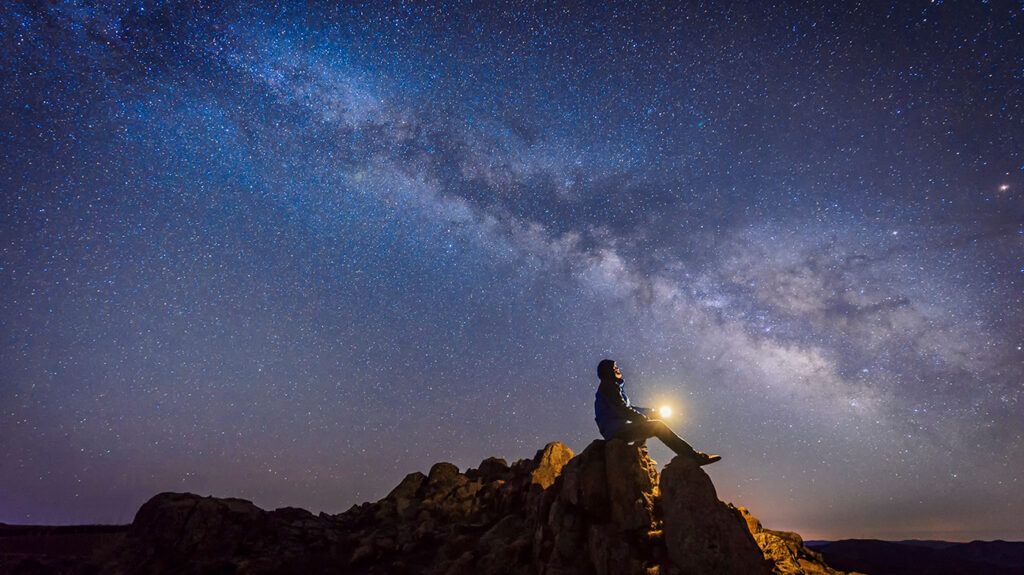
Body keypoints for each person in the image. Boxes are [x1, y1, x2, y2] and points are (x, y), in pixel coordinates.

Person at [594, 359, 721, 466]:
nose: (618, 369)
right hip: (616, 431)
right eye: (614, 367)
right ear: (607, 371)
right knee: (657, 426)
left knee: (646, 420)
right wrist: (643, 418)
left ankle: (640, 452)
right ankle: (693, 457)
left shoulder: (611, 387)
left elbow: (628, 407)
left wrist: (651, 412)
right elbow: (622, 409)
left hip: (616, 428)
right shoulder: (609, 386)